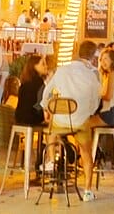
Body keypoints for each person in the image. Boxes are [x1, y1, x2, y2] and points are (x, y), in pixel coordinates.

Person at [42, 40, 102, 202]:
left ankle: (50, 159)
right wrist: (87, 112)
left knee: (52, 130)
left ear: (77, 52)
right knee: (86, 153)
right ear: (93, 57)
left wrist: (47, 109)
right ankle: (88, 191)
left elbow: (46, 93)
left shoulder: (61, 70)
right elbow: (95, 102)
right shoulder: (93, 74)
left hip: (60, 122)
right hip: (80, 121)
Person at [15, 54, 47, 126]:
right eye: (43, 64)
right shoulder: (38, 82)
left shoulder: (25, 80)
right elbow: (43, 101)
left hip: (19, 117)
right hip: (32, 118)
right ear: (34, 66)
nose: (46, 66)